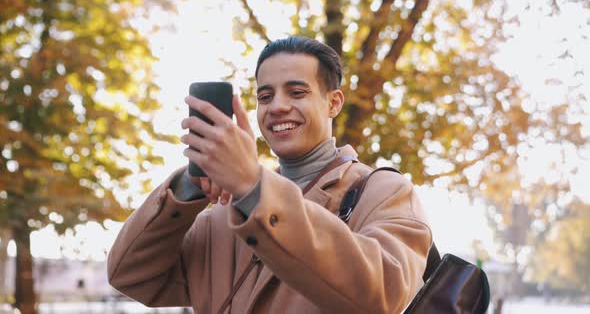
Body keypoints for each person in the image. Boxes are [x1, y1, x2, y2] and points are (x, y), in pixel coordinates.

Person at [107, 36, 432, 314]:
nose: (276, 106)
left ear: (334, 103)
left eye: (297, 92)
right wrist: (186, 188)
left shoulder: (386, 191)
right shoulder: (222, 213)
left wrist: (254, 186)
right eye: (265, 96)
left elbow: (384, 294)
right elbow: (131, 275)